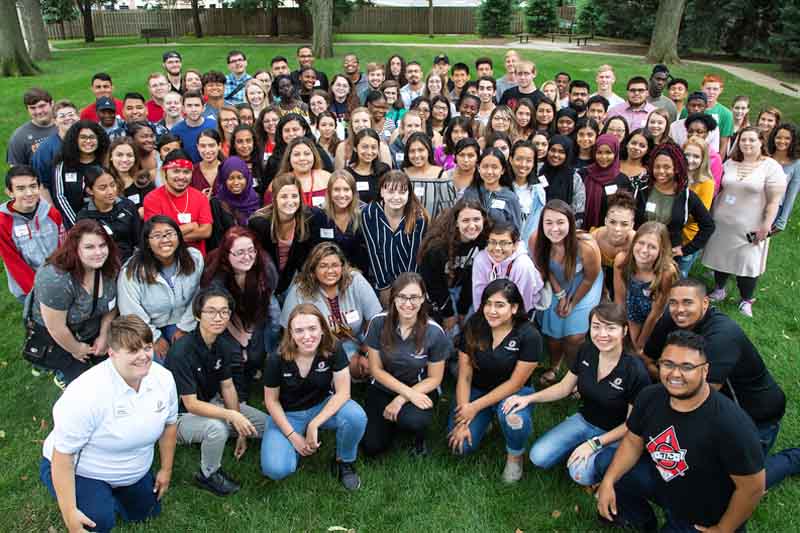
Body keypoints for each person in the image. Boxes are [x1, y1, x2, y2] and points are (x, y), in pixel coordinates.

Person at [596, 330, 766, 532]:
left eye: (687, 367)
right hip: (662, 480)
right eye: (668, 364)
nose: (675, 374)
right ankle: (640, 521)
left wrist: (723, 529)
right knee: (604, 463)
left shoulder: (731, 424)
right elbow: (633, 442)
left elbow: (753, 488)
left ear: (705, 371)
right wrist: (608, 481)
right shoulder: (650, 396)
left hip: (702, 512)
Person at [643, 278, 799, 489]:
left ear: (705, 303)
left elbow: (697, 396)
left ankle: (793, 458)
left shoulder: (722, 336)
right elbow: (647, 358)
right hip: (716, 401)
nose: (679, 309)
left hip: (755, 414)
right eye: (673, 303)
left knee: (735, 487)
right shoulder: (673, 318)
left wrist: (666, 382)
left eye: (688, 302)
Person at [40, 314, 178, 533]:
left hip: (132, 465)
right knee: (97, 522)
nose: (143, 356)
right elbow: (63, 455)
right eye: (133, 350)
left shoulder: (164, 379)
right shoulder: (87, 393)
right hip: (84, 470)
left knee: (147, 511)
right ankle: (86, 495)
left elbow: (170, 426)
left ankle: (115, 494)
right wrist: (69, 513)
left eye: (147, 347)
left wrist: (166, 470)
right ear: (112, 353)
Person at [505, 302, 648, 486]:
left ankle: (602, 465)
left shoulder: (635, 370)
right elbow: (564, 387)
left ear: (624, 331)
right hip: (584, 420)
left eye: (610, 328)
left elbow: (631, 425)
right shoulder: (587, 350)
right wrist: (528, 398)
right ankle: (578, 447)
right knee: (538, 457)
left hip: (617, 434)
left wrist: (594, 443)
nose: (602, 334)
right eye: (596, 327)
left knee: (579, 474)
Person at [167, 287, 266, 496]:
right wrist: (231, 415)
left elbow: (227, 386)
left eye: (224, 312)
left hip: (212, 404)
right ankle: (208, 474)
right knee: (217, 428)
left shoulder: (223, 344)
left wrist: (240, 427)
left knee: (266, 425)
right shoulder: (181, 351)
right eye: (211, 311)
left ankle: (229, 433)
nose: (218, 317)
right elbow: (191, 404)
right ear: (197, 314)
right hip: (179, 417)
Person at [262, 303, 367, 488]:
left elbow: (343, 393)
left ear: (323, 330)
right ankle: (292, 448)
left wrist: (315, 423)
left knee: (356, 416)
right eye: (299, 330)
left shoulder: (333, 348)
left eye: (312, 328)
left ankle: (345, 461)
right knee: (276, 470)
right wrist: (293, 436)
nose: (307, 336)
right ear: (291, 334)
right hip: (288, 414)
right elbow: (271, 401)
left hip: (321, 405)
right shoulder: (275, 359)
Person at [449, 279, 542, 481]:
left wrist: (474, 408)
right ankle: (486, 420)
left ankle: (515, 456)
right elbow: (464, 375)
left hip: (514, 393)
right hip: (477, 389)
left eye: (500, 305)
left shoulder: (529, 334)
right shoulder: (474, 324)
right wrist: (464, 415)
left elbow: (515, 383)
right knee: (460, 447)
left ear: (514, 307)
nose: (491, 310)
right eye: (488, 303)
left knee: (513, 420)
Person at [362, 273, 452, 457]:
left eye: (414, 297)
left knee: (414, 421)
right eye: (402, 297)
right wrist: (404, 393)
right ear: (393, 298)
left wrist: (402, 398)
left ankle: (416, 437)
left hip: (419, 388)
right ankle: (389, 424)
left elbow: (435, 378)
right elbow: (375, 370)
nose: (408, 303)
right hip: (383, 387)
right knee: (372, 447)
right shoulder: (378, 322)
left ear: (423, 298)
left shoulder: (434, 332)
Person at [702, 127, 786, 317]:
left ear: (761, 142)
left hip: (750, 225)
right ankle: (719, 289)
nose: (746, 144)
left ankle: (746, 299)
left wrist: (766, 226)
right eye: (743, 140)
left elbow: (774, 201)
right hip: (723, 222)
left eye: (751, 140)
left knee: (748, 262)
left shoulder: (771, 167)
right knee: (720, 256)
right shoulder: (731, 163)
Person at [25, 219, 119, 386]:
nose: (98, 252)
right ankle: (62, 375)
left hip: (93, 330)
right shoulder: (55, 279)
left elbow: (111, 305)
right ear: (75, 248)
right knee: (85, 388)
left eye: (102, 245)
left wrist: (105, 335)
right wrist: (76, 349)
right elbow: (56, 327)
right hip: (59, 339)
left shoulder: (110, 266)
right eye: (89, 247)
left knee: (115, 376)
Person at [280, 242, 381, 379]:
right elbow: (288, 330)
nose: (330, 271)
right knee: (346, 369)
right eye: (323, 266)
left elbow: (375, 319)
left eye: (335, 265)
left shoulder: (355, 280)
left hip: (357, 340)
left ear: (342, 266)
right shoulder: (299, 290)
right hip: (319, 347)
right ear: (313, 269)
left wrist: (367, 351)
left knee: (369, 365)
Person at [530, 200, 603, 386]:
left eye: (560, 222)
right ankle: (555, 366)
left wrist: (572, 302)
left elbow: (589, 278)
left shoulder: (586, 247)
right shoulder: (536, 239)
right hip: (555, 284)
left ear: (570, 223)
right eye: (549, 223)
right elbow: (543, 268)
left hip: (584, 284)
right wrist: (560, 295)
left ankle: (575, 374)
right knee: (553, 335)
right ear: (542, 224)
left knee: (574, 337)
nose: (555, 229)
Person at [202, 226, 278, 401]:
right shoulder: (216, 279)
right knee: (233, 355)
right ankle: (239, 396)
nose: (247, 257)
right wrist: (240, 336)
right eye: (240, 252)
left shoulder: (265, 267)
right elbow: (220, 313)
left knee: (255, 353)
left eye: (251, 250)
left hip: (255, 311)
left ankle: (252, 370)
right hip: (223, 317)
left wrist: (249, 333)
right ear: (227, 254)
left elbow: (264, 302)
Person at [117, 215, 202, 363]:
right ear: (147, 242)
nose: (165, 240)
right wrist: (154, 338)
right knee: (158, 364)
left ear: (179, 237)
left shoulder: (194, 258)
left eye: (170, 234)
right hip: (147, 328)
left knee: (190, 359)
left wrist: (184, 328)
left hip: (183, 321)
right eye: (157, 236)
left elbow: (198, 295)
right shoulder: (132, 271)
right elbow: (130, 312)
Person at [634, 143, 714, 266]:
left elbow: (708, 225)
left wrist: (686, 250)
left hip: (666, 257)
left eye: (667, 167)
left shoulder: (686, 196)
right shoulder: (642, 188)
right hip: (639, 252)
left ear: (676, 168)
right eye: (657, 167)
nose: (661, 171)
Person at [418, 198, 489, 334]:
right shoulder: (437, 247)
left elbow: (472, 277)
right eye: (465, 220)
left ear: (483, 220)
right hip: (441, 293)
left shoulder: (483, 239)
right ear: (456, 222)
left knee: (469, 329)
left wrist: (463, 309)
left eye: (476, 219)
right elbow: (433, 284)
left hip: (467, 290)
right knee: (451, 332)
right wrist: (448, 313)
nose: (472, 225)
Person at [361, 170, 428, 305]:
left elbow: (415, 258)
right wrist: (384, 287)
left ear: (409, 194)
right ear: (381, 192)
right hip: (381, 280)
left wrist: (406, 290)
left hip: (409, 282)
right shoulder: (369, 213)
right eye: (391, 191)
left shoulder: (418, 217)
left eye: (402, 192)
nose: (396, 197)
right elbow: (373, 251)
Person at [249, 173, 320, 299]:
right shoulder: (259, 224)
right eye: (284, 197)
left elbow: (309, 257)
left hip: (293, 278)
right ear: (274, 198)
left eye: (294, 196)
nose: (290, 201)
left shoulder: (308, 219)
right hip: (265, 281)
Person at [0, 165, 64, 303]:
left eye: (33, 186)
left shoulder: (52, 213)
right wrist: (37, 294)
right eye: (21, 189)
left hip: (59, 282)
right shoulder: (3, 222)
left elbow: (63, 247)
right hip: (29, 290)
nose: (29, 193)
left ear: (39, 187)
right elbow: (14, 262)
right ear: (9, 192)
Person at [613, 222, 678, 350]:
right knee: (626, 344)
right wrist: (622, 327)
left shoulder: (666, 272)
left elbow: (656, 312)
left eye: (652, 247)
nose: (644, 250)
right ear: (634, 243)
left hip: (654, 313)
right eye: (641, 243)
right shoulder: (622, 260)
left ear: (661, 250)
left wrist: (640, 343)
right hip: (631, 307)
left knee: (642, 349)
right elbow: (619, 299)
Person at [144, 150, 213, 256]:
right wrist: (191, 226)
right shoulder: (152, 198)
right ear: (164, 172)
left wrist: (169, 237)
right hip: (165, 260)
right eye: (176, 171)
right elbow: (157, 236)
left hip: (197, 262)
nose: (181, 177)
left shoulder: (200, 197)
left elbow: (206, 231)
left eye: (186, 172)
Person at [472, 220, 544, 314]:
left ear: (515, 245)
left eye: (504, 243)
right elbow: (478, 294)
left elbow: (523, 303)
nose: (497, 248)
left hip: (518, 312)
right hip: (490, 309)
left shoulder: (523, 265)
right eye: (492, 242)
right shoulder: (481, 260)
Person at [50, 120, 109, 230]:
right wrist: (77, 226)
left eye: (92, 137)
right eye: (83, 137)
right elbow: (60, 197)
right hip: (74, 225)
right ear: (75, 140)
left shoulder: (105, 163)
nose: (88, 141)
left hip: (105, 224)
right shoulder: (63, 165)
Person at [75, 167, 140, 264]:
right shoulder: (84, 217)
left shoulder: (128, 206)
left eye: (112, 185)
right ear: (90, 190)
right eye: (102, 188)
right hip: (101, 265)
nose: (110, 192)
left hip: (130, 263)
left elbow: (138, 240)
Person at [311, 171, 370, 275]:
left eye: (346, 189)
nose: (342, 195)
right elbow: (314, 251)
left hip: (358, 274)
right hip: (327, 274)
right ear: (329, 192)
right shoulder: (318, 214)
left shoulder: (364, 213)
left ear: (353, 192)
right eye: (336, 190)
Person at [208, 156, 262, 251]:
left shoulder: (256, 199)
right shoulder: (217, 203)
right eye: (231, 178)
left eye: (240, 178)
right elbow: (216, 239)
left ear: (247, 178)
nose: (236, 182)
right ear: (224, 180)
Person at [678, 136, 715, 276]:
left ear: (703, 159)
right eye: (686, 155)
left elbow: (699, 216)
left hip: (689, 237)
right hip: (671, 234)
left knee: (680, 274)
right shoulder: (677, 175)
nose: (690, 160)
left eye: (696, 156)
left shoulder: (706, 183)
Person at [462, 147, 523, 230]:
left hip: (499, 242)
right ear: (479, 168)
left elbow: (516, 230)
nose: (489, 172)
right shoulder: (470, 193)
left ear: (502, 170)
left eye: (494, 167)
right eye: (485, 166)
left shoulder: (511, 198)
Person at [31, 99, 79, 205]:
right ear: (55, 122)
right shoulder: (45, 150)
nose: (68, 118)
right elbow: (42, 185)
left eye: (71, 114)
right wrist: (53, 213)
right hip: (61, 206)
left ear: (78, 117)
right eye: (62, 116)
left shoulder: (87, 143)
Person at [591, 191, 636, 300]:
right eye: (612, 222)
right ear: (605, 221)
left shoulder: (636, 243)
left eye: (624, 224)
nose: (617, 229)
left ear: (632, 225)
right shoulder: (595, 238)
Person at [538, 135, 586, 227]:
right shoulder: (537, 170)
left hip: (563, 228)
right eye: (553, 150)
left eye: (561, 152)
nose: (556, 155)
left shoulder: (574, 178)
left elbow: (578, 208)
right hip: (536, 225)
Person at [402, 132, 452, 218]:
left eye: (421, 150)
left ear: (429, 151)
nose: (416, 155)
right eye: (412, 151)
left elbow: (446, 209)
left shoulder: (441, 175)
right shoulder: (402, 174)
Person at [581, 133, 624, 230]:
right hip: (582, 230)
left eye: (608, 153)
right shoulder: (584, 174)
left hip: (609, 232)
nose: (603, 157)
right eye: (599, 152)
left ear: (616, 153)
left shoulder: (622, 180)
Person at [509, 140, 547, 246]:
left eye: (529, 160)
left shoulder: (538, 191)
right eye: (519, 159)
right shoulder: (502, 187)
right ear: (511, 159)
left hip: (530, 247)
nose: (523, 164)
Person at [7, 88, 57, 166]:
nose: (38, 111)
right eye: (32, 108)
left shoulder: (65, 127)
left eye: (42, 106)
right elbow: (16, 172)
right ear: (27, 109)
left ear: (52, 104)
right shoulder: (19, 137)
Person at [345, 129, 391, 205]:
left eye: (373, 147)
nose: (369, 152)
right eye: (365, 147)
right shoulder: (347, 174)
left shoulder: (385, 170)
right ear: (355, 148)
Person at [170, 92, 218, 163]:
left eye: (197, 105)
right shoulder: (176, 130)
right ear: (183, 108)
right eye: (189, 105)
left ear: (203, 108)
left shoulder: (214, 124)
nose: (193, 109)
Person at [769, 123, 800, 232]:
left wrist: (782, 221)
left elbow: (791, 194)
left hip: (773, 210)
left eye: (787, 138)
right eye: (779, 137)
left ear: (793, 141)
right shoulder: (765, 157)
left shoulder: (796, 164)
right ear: (773, 138)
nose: (782, 141)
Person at [191, 129, 222, 196]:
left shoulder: (228, 169)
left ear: (219, 146)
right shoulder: (191, 171)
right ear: (197, 147)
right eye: (203, 146)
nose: (207, 150)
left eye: (211, 145)